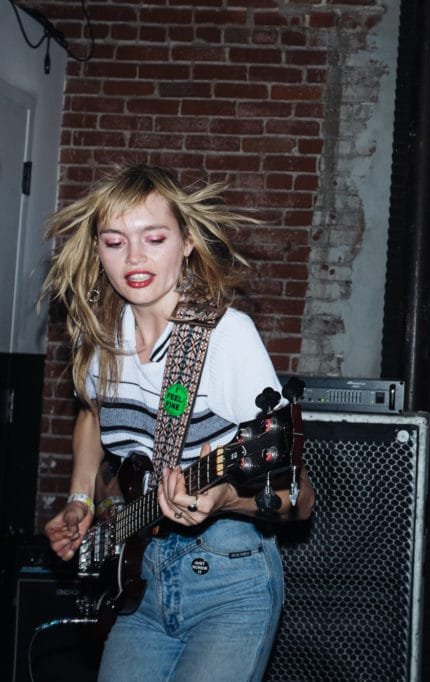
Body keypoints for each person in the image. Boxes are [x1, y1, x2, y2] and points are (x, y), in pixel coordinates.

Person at [42, 165, 315, 681]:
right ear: (97, 250)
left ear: (187, 242)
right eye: (115, 241)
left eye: (155, 238)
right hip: (138, 584)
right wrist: (82, 500)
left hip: (228, 584)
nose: (134, 258)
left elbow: (300, 499)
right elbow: (92, 414)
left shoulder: (226, 338)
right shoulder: (103, 335)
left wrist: (227, 499)